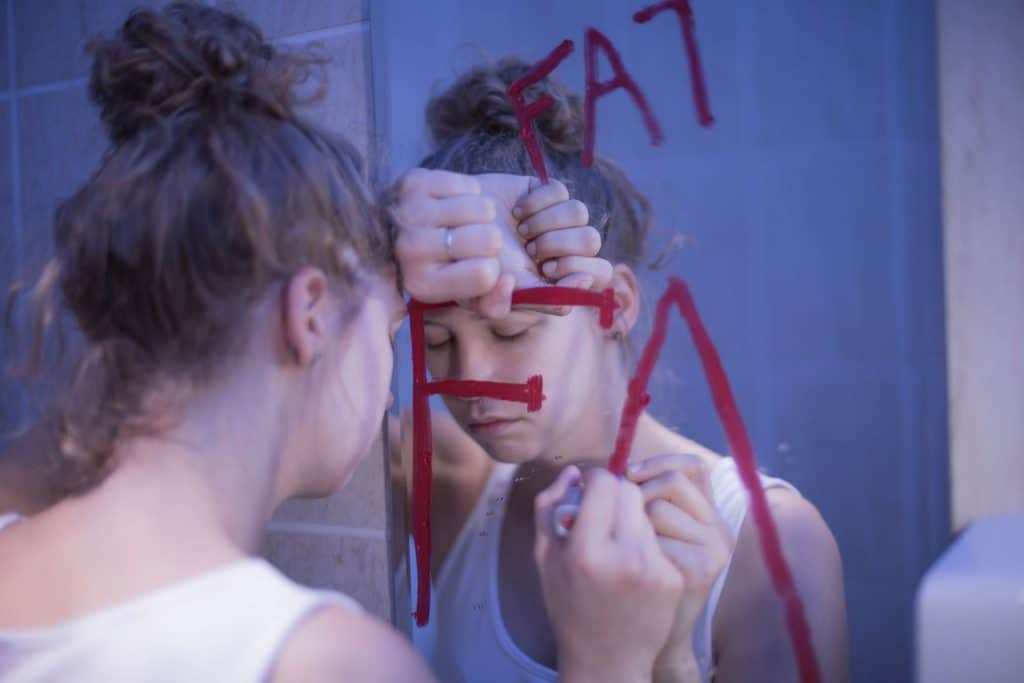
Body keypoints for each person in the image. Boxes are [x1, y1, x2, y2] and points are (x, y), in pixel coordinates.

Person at [0, 4, 685, 682]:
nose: (453, 371)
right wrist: (612, 659)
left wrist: (357, 262)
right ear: (309, 316)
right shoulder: (324, 662)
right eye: (398, 322)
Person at [402, 58, 851, 682]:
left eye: (511, 330)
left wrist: (669, 662)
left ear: (613, 304)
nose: (471, 376)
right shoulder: (449, 480)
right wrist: (377, 256)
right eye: (436, 339)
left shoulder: (772, 547)